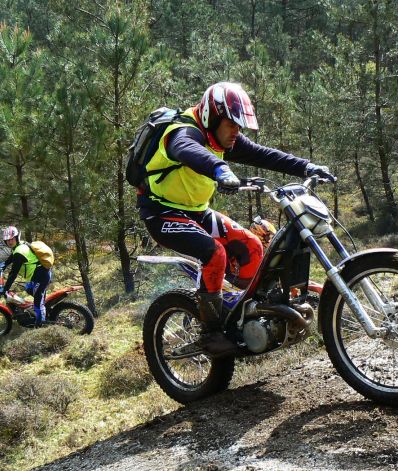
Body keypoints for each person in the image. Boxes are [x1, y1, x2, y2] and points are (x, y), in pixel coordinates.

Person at [137, 81, 335, 357]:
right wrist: (220, 169)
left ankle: (245, 319)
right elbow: (187, 149)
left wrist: (306, 166)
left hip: (196, 211)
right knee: (214, 253)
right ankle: (212, 334)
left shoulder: (222, 136)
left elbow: (263, 154)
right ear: (212, 117)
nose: (236, 133)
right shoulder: (180, 132)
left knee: (253, 246)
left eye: (240, 127)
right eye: (232, 125)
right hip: (161, 212)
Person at [0, 226, 52, 326]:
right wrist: (6, 263)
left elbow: (13, 274)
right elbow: (14, 255)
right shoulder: (19, 245)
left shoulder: (20, 251)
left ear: (16, 237)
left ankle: (41, 324)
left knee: (37, 303)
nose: (10, 242)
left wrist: (5, 289)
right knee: (28, 288)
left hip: (41, 278)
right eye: (7, 240)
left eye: (12, 239)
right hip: (37, 275)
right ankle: (43, 304)